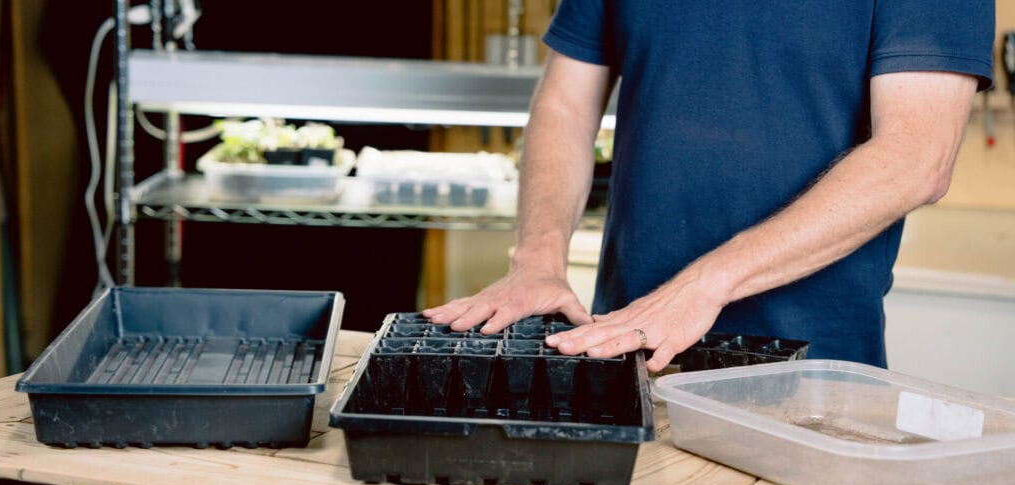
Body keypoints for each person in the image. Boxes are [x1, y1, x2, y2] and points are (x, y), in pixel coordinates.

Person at [423, 1, 995, 372]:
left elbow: (916, 158)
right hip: (625, 353)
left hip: (809, 372)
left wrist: (703, 286)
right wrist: (537, 261)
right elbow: (567, 106)